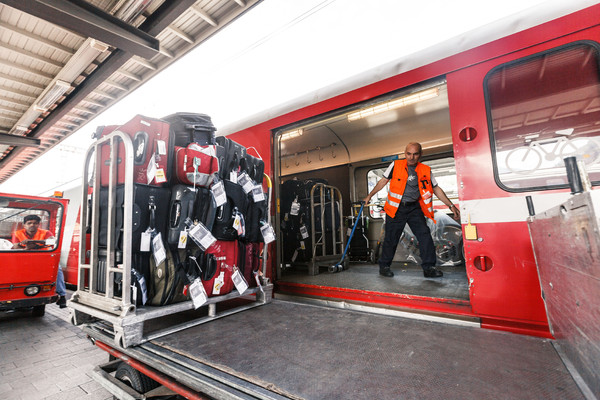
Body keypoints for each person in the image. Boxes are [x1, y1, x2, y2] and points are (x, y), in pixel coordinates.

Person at [364, 142, 460, 278]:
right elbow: (382, 182)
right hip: (396, 208)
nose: (411, 157)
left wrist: (451, 206)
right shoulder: (395, 165)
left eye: (415, 154)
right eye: (408, 154)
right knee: (391, 238)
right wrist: (369, 196)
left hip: (414, 208)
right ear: (405, 153)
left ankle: (429, 268)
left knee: (425, 236)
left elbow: (436, 189)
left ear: (420, 155)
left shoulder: (425, 170)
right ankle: (384, 266)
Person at [11, 215, 66, 307]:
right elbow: (14, 246)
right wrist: (22, 244)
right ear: (24, 225)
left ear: (38, 225)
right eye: (29, 223)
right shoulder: (17, 233)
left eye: (35, 223)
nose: (32, 225)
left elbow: (52, 242)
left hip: (44, 258)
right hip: (24, 259)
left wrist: (36, 245)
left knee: (57, 270)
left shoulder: (46, 232)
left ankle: (62, 296)